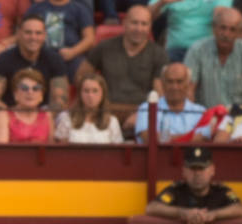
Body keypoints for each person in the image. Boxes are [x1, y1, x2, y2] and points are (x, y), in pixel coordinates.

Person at [77, 5, 167, 135]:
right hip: (104, 114)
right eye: (134, 23)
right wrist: (95, 106)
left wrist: (141, 116)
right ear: (124, 23)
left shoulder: (159, 54)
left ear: (150, 27)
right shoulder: (104, 48)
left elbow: (160, 96)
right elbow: (80, 77)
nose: (139, 28)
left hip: (141, 118)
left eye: (144, 24)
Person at [146, 146, 242, 224]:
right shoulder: (176, 190)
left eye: (202, 168)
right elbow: (152, 208)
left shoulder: (221, 191)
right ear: (184, 171)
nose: (197, 174)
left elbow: (240, 209)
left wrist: (214, 214)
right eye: (193, 168)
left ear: (212, 170)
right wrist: (182, 213)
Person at [0, 14, 69, 111]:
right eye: (28, 33)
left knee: (63, 117)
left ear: (44, 35)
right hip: (9, 111)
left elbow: (60, 101)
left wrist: (39, 119)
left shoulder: (54, 59)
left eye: (38, 33)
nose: (33, 37)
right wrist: (13, 116)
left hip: (43, 113)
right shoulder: (4, 58)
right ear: (19, 34)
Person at [184, 7, 242, 109]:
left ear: (238, 33)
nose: (226, 34)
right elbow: (188, 89)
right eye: (223, 28)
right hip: (206, 115)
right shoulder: (197, 50)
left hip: (240, 118)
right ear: (214, 28)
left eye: (232, 29)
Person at [135, 62, 211, 142]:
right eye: (170, 81)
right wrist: (192, 137)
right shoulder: (146, 108)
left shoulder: (200, 111)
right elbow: (149, 138)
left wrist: (164, 138)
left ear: (188, 84)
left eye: (179, 81)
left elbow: (203, 139)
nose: (174, 87)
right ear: (162, 84)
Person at [23, 0, 95, 81]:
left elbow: (90, 39)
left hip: (70, 58)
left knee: (84, 72)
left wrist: (73, 52)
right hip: (39, 56)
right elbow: (23, 32)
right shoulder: (36, 8)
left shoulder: (80, 9)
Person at [148, 0, 232, 62]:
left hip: (207, 48)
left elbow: (223, 16)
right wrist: (162, 2)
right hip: (176, 49)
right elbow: (146, 16)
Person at [55, 72, 124, 142]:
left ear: (103, 93)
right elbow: (60, 149)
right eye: (86, 91)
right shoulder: (66, 118)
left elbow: (118, 150)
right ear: (79, 94)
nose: (90, 95)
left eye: (95, 91)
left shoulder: (112, 121)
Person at [0, 67, 53, 142]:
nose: (30, 92)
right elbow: (1, 151)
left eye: (36, 88)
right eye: (24, 88)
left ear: (41, 96)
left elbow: (52, 150)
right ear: (15, 94)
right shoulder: (3, 116)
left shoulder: (47, 115)